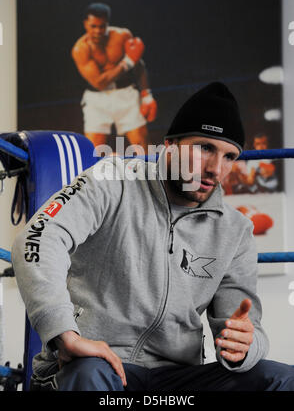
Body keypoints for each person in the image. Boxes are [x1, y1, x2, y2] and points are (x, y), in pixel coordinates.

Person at [11, 82, 294, 391]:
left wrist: (245, 347)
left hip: (176, 381)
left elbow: (245, 324)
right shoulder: (112, 180)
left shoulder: (235, 230)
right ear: (170, 145)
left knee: (282, 380)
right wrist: (65, 335)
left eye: (229, 156)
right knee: (89, 376)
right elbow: (38, 236)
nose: (216, 168)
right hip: (96, 365)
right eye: (205, 148)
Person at [71, 2, 157, 153]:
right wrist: (127, 62)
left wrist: (146, 94)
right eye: (93, 26)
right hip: (97, 99)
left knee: (143, 147)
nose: (98, 31)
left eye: (102, 26)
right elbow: (100, 83)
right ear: (85, 24)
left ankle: (150, 176)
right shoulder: (81, 49)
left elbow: (139, 65)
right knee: (95, 151)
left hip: (125, 94)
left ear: (108, 24)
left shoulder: (122, 36)